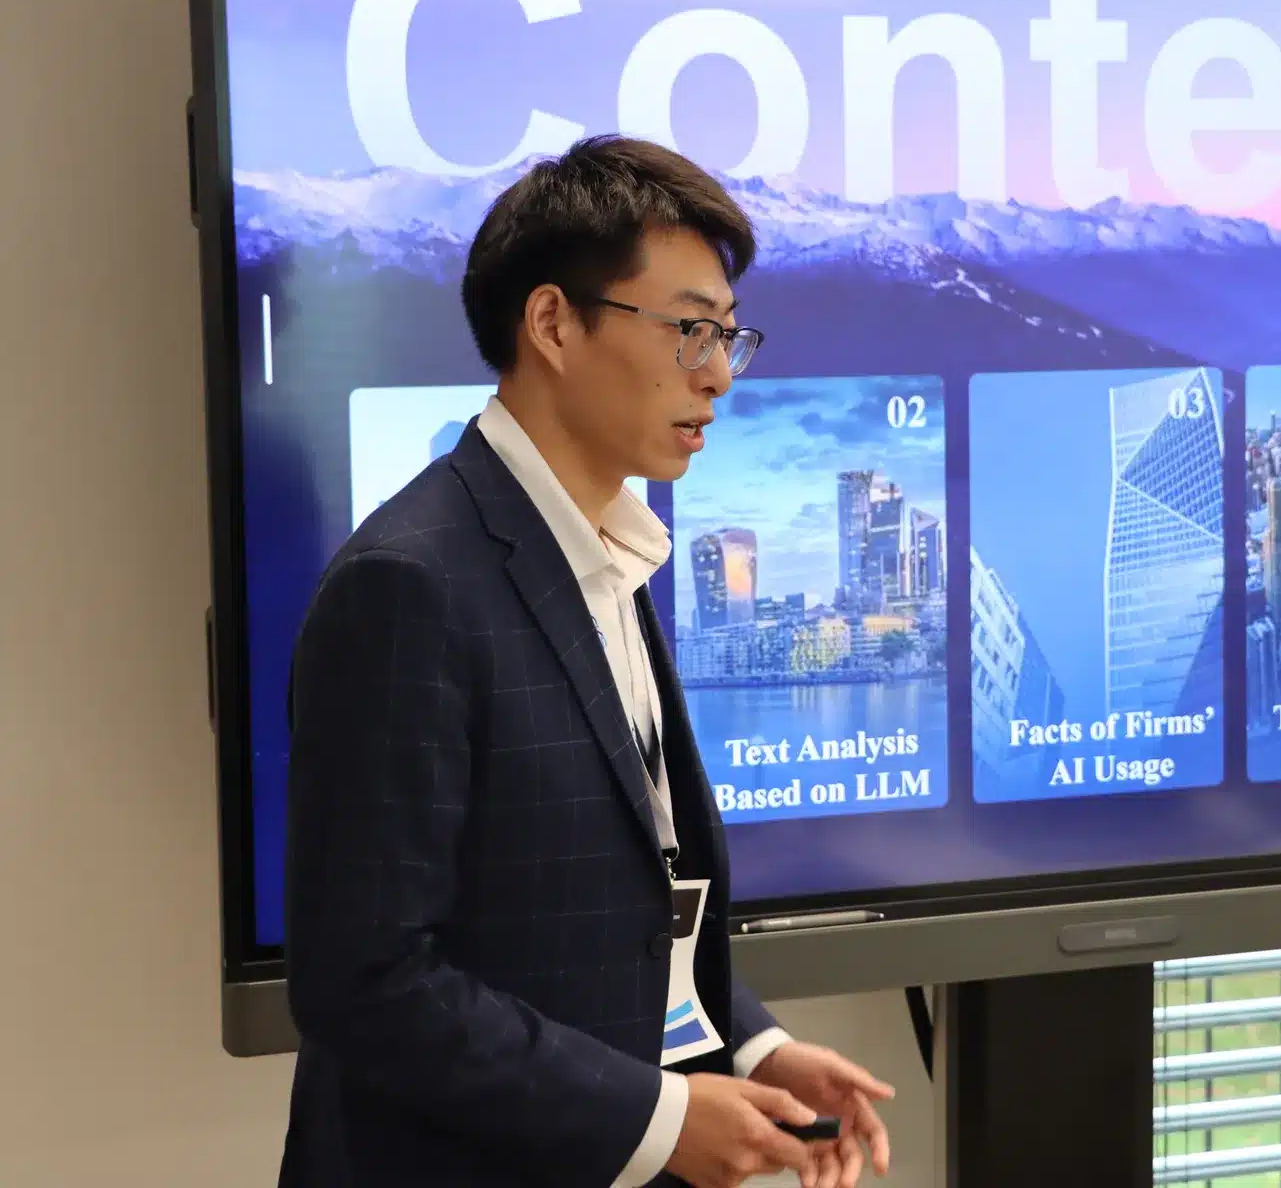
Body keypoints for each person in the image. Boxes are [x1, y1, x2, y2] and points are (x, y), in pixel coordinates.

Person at [277, 135, 894, 1188]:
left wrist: (750, 1046)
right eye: (690, 329)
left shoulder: (605, 549)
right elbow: (365, 980)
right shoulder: (408, 584)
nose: (717, 374)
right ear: (554, 323)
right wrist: (657, 1117)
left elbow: (617, 899)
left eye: (728, 336)